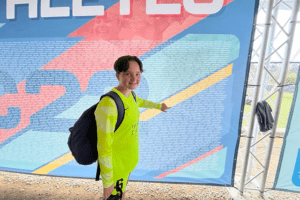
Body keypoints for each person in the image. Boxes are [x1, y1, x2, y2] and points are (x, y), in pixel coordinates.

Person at [94, 55, 170, 200]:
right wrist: (108, 180)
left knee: (122, 195)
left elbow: (140, 102)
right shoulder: (109, 104)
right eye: (127, 74)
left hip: (127, 162)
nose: (134, 78)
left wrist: (159, 106)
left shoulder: (131, 96)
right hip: (116, 166)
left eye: (137, 74)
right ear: (118, 75)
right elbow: (103, 146)